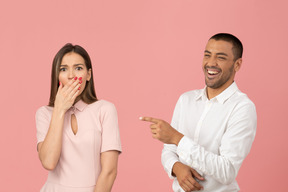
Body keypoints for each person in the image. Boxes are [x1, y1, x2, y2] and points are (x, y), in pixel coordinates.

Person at [140, 33, 257, 192]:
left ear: (237, 65)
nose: (211, 62)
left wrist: (176, 138)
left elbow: (227, 171)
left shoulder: (242, 107)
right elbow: (169, 151)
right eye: (207, 55)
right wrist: (176, 167)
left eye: (220, 57)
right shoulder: (186, 100)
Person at [35, 43, 122, 192]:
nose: (71, 75)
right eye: (63, 69)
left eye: (78, 68)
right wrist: (59, 109)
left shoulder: (105, 109)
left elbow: (109, 172)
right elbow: (49, 162)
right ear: (57, 76)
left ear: (88, 75)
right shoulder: (44, 113)